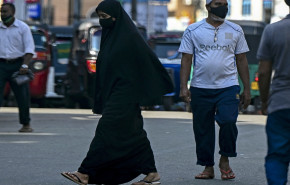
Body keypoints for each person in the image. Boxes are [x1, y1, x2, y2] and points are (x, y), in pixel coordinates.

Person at [60, 1, 173, 185]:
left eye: (106, 17)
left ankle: (85, 172)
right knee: (134, 134)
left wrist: (145, 93)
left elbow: (148, 63)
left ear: (116, 17)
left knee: (106, 129)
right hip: (115, 92)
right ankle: (152, 174)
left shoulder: (130, 37)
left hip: (126, 93)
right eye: (101, 17)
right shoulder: (110, 36)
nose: (103, 21)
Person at [179, 0, 251, 180]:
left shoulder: (235, 30)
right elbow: (186, 59)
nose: (223, 7)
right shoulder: (193, 30)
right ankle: (208, 166)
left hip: (228, 86)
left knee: (228, 121)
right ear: (208, 6)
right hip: (200, 87)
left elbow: (241, 59)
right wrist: (183, 87)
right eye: (218, 3)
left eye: (225, 3)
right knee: (202, 128)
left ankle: (225, 159)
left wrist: (247, 89)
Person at [0, 3, 35, 133]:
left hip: (18, 66)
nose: (3, 14)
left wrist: (24, 65)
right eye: (1, 11)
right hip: (0, 65)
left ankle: (25, 124)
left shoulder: (23, 28)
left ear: (13, 12)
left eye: (5, 11)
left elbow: (29, 49)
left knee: (22, 95)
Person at [257, 1, 290, 184]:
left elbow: (263, 72)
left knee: (277, 156)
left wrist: (264, 101)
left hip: (280, 102)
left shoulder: (272, 30)